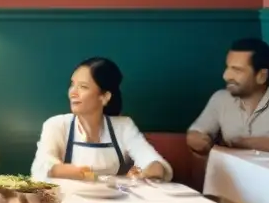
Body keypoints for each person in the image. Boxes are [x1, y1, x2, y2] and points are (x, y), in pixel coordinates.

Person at [30, 57, 171, 181]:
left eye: (83, 87)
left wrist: (143, 174)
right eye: (72, 84)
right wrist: (78, 173)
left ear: (104, 97)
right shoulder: (56, 125)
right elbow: (42, 166)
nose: (73, 92)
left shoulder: (123, 126)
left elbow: (154, 163)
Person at [187, 38, 269, 155]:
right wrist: (197, 140)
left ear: (262, 76)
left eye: (237, 70)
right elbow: (196, 132)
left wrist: (241, 143)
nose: (226, 76)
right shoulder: (220, 98)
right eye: (228, 67)